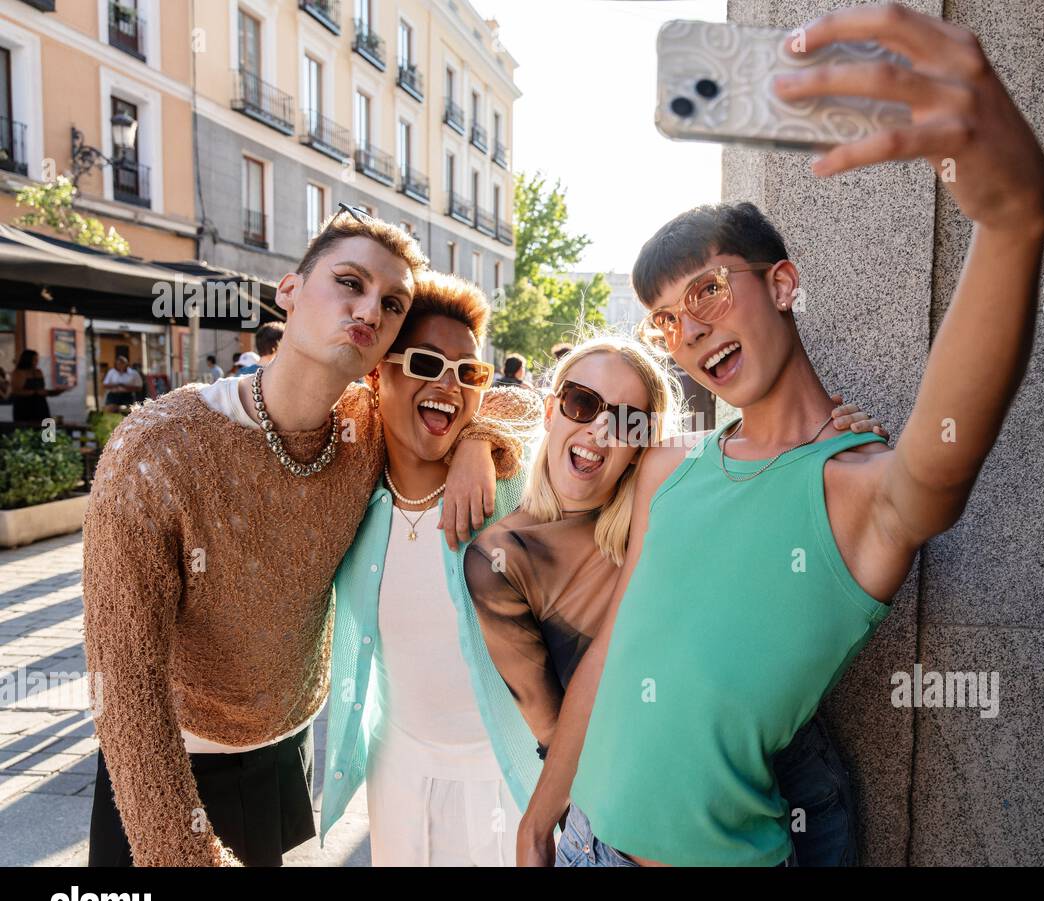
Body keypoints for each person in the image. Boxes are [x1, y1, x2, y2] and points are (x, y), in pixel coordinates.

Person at [517, 4, 1044, 867]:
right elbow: (614, 655)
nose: (689, 329)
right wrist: (539, 817)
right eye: (665, 320)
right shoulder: (667, 471)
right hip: (582, 845)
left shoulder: (858, 489)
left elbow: (945, 450)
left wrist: (1012, 221)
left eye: (709, 290)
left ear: (783, 282)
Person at [82, 205, 539, 867]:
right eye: (349, 282)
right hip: (166, 764)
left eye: (390, 304)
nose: (367, 310)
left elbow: (513, 401)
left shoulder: (367, 429)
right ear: (290, 291)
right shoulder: (158, 448)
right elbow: (124, 686)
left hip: (282, 756)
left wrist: (477, 442)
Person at [466, 335, 887, 866]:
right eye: (581, 403)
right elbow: (557, 731)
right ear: (553, 409)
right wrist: (473, 443)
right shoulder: (504, 556)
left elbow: (771, 451)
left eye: (626, 421)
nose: (599, 430)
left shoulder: (680, 490)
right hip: (639, 817)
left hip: (792, 780)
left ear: (646, 440)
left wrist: (833, 433)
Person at [321, 271, 544, 866]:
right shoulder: (349, 495)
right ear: (377, 371)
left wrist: (484, 439)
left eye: (468, 372)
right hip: (397, 772)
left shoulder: (514, 489)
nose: (449, 384)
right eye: (425, 363)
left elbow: (546, 420)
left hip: (508, 775)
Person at [10, 349, 68, 425]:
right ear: (28, 359)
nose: (37, 361)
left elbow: (43, 390)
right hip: (24, 407)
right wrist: (35, 392)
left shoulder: (38, 371)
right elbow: (16, 391)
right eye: (34, 359)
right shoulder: (19, 373)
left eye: (37, 359)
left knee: (45, 431)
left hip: (40, 406)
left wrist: (57, 391)